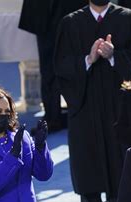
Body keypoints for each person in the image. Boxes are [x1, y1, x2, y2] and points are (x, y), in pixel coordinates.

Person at [54, 0, 131, 202]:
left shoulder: (129, 18)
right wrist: (88, 58)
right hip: (85, 108)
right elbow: (60, 66)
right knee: (88, 165)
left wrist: (114, 56)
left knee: (121, 164)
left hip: (120, 108)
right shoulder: (71, 23)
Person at [19, 0, 87, 132]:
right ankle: (53, 116)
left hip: (71, 11)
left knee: (74, 63)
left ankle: (73, 114)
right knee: (49, 66)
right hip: (49, 13)